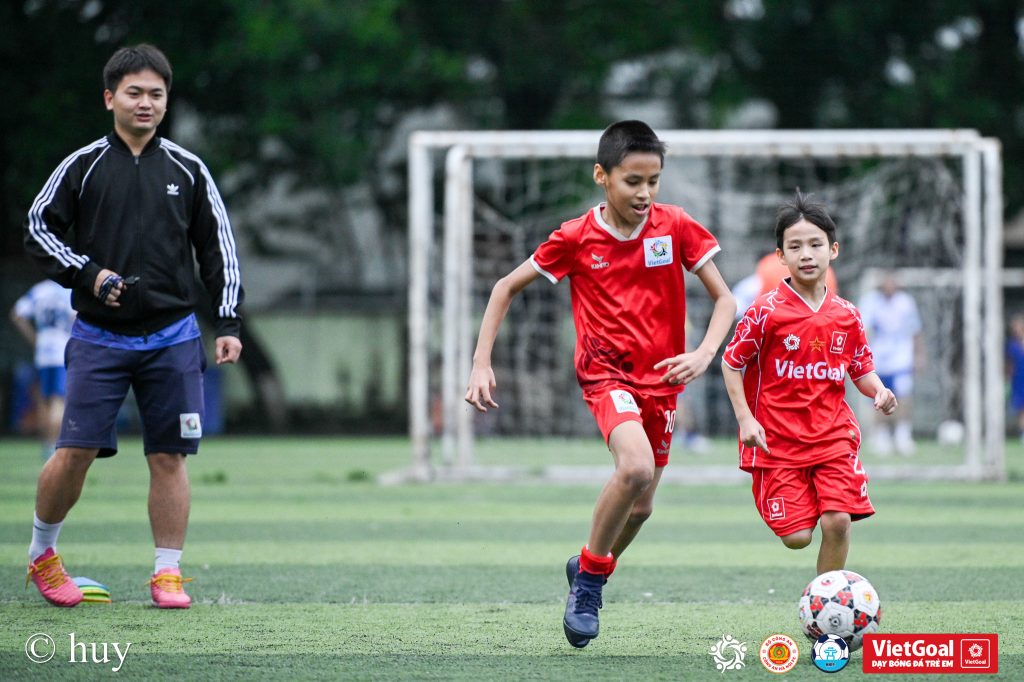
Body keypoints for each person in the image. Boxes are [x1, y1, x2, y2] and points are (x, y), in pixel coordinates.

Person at [465, 121, 736, 648]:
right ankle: (589, 585)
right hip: (605, 375)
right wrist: (481, 362)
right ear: (602, 176)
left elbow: (725, 299)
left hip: (663, 382)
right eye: (633, 181)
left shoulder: (676, 226)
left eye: (653, 181)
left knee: (642, 507)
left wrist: (704, 353)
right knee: (634, 468)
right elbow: (504, 287)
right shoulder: (575, 237)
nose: (645, 192)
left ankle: (589, 565)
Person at [21, 44, 243, 609]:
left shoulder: (189, 170)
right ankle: (42, 555)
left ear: (167, 102)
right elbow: (38, 227)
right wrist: (88, 274)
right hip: (99, 336)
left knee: (169, 456)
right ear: (110, 98)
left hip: (174, 337)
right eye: (134, 92)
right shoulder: (83, 165)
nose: (145, 103)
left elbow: (219, 250)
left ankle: (167, 573)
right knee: (74, 451)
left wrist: (227, 321)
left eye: (156, 94)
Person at [721, 192, 896, 576]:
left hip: (833, 436)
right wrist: (746, 419)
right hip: (777, 440)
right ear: (780, 257)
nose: (806, 254)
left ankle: (828, 603)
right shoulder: (765, 311)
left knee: (838, 521)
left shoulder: (848, 314)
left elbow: (860, 370)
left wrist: (879, 390)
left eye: (815, 245)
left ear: (833, 250)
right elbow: (731, 364)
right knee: (797, 537)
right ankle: (802, 499)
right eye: (795, 246)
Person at [10, 280, 76, 460]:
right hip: (62, 350)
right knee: (59, 400)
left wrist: (35, 338)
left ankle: (46, 444)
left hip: (43, 353)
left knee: (44, 400)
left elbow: (17, 314)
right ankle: (56, 445)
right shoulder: (67, 292)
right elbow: (75, 318)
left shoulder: (39, 290)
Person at [858, 273, 922, 455]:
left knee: (904, 397)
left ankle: (903, 435)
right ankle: (882, 436)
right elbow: (863, 330)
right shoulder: (871, 302)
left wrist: (919, 354)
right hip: (878, 359)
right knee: (878, 397)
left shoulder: (906, 302)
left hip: (901, 359)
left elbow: (916, 330)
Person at [1006, 314, 1024, 443]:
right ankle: (1022, 433)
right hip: (1018, 379)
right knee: (1021, 409)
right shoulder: (1011, 345)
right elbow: (1009, 364)